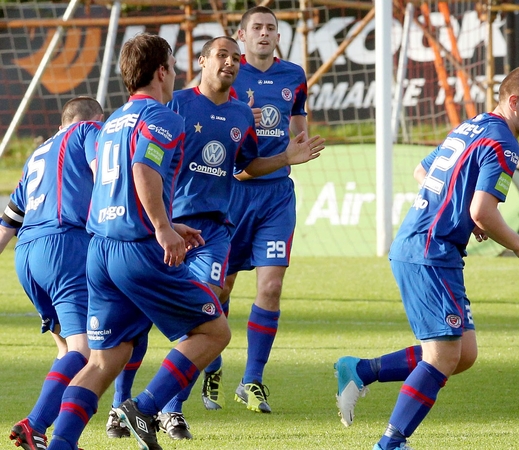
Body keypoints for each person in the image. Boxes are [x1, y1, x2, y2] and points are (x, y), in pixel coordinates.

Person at [102, 35, 324, 440]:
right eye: (222, 55)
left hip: (213, 232)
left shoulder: (242, 114)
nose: (231, 62)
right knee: (136, 319)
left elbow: (247, 164)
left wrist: (286, 158)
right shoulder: (174, 105)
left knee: (203, 314)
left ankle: (170, 410)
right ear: (201, 62)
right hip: (165, 226)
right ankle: (121, 406)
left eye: (235, 58)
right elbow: (143, 159)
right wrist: (158, 222)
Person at [335, 65, 519, 449]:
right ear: (514, 101)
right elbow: (482, 212)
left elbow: (423, 169)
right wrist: (518, 243)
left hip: (428, 247)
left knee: (462, 353)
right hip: (430, 251)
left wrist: (462, 208)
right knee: (442, 356)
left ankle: (361, 370)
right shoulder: (504, 142)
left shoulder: (474, 125)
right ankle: (391, 443)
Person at [45, 33, 231, 450]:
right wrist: (162, 228)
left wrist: (162, 221)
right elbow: (144, 171)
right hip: (137, 250)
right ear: (161, 71)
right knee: (215, 330)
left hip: (101, 249)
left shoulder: (111, 120)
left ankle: (61, 444)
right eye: (173, 64)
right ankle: (145, 407)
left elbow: (114, 183)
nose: (177, 72)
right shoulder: (163, 117)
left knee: (105, 358)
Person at [221, 6, 312, 414]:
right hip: (232, 195)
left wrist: (301, 142)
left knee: (271, 287)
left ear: (278, 36)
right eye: (256, 28)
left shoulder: (293, 75)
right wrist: (242, 119)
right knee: (222, 287)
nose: (264, 34)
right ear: (241, 36)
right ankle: (211, 360)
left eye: (270, 28)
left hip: (276, 195)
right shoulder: (227, 75)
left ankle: (252, 380)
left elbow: (298, 121)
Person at [2, 97, 103, 450]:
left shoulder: (36, 156)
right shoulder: (88, 131)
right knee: (88, 352)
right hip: (64, 247)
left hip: (26, 255)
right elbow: (102, 170)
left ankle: (52, 436)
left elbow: (8, 221)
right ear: (96, 119)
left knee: (66, 352)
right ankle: (36, 423)